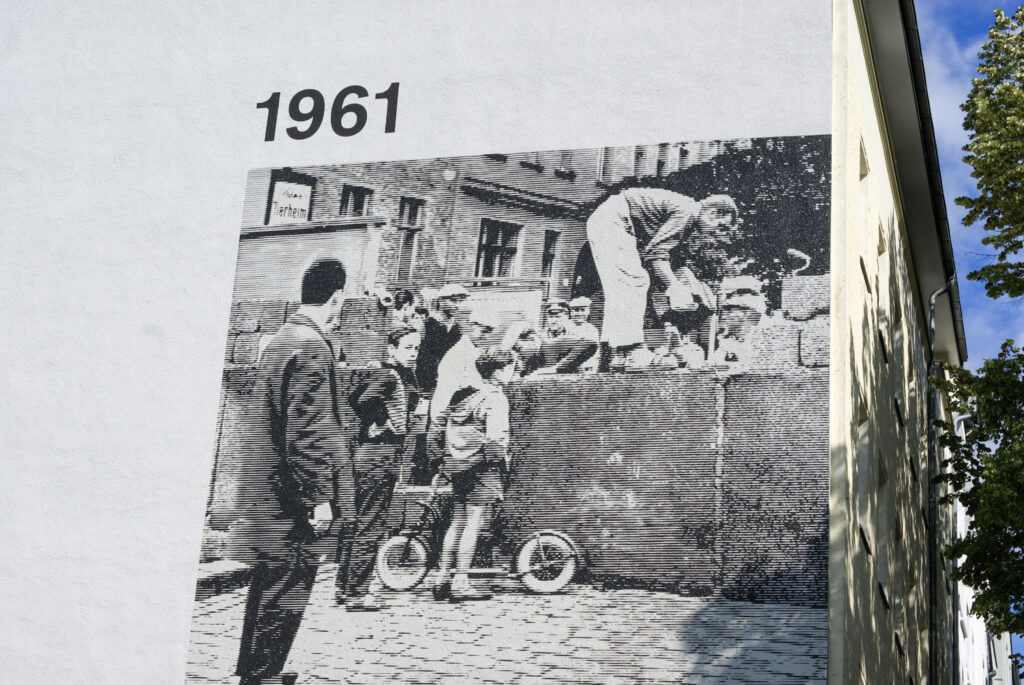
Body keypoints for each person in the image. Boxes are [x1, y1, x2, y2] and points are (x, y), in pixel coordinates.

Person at [233, 259, 354, 685]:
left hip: (269, 488)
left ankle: (254, 672)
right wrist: (319, 498)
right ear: (337, 297)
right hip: (293, 496)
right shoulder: (313, 346)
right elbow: (308, 432)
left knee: (268, 587)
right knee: (287, 590)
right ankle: (263, 677)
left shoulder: (282, 338)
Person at [585, 188, 741, 371]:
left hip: (612, 219)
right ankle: (632, 351)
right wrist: (675, 287)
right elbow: (657, 255)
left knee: (623, 286)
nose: (717, 233)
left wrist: (679, 284)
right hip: (614, 219)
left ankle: (618, 356)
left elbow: (664, 257)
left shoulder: (686, 217)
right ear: (712, 213)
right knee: (633, 281)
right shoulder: (688, 212)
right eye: (721, 226)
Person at [335, 326, 421, 611]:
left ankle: (344, 587)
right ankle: (356, 593)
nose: (413, 353)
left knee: (360, 522)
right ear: (392, 349)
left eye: (417, 348)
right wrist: (382, 422)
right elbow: (360, 400)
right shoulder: (387, 374)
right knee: (370, 524)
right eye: (408, 347)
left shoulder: (397, 374)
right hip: (379, 455)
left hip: (377, 455)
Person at [429, 349, 517, 602]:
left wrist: (446, 462)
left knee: (457, 522)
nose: (513, 372)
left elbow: (439, 427)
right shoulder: (496, 399)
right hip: (483, 468)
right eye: (511, 368)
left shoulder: (465, 395)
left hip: (458, 466)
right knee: (473, 523)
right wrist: (500, 462)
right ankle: (461, 582)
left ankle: (442, 579)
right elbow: (496, 440)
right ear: (500, 371)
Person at [430, 307, 499, 424]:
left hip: (463, 416)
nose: (487, 337)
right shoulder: (458, 355)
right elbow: (447, 395)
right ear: (472, 326)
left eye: (490, 332)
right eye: (484, 331)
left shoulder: (475, 352)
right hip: (449, 419)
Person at [415, 283, 469, 394]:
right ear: (441, 300)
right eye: (454, 301)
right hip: (425, 379)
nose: (457, 305)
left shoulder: (457, 328)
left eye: (460, 301)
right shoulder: (427, 325)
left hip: (447, 380)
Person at [525, 300, 598, 376]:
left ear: (567, 318)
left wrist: (556, 368)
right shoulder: (540, 337)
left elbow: (591, 344)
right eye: (550, 317)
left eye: (558, 317)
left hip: (568, 377)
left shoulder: (574, 335)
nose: (553, 321)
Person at [568, 296, 600, 373]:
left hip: (586, 368)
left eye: (583, 310)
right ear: (571, 312)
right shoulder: (566, 327)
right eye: (576, 310)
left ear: (588, 312)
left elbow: (595, 353)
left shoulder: (592, 330)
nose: (579, 313)